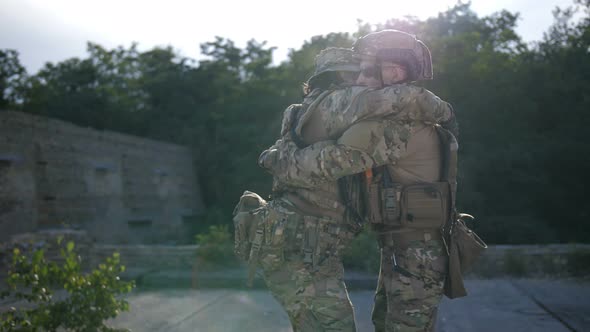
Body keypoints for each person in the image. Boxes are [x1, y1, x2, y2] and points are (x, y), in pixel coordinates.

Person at [259, 29, 457, 332]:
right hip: (403, 252)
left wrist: (278, 159)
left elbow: (332, 161)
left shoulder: (401, 123)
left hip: (415, 254)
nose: (362, 81)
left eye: (368, 71)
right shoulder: (394, 112)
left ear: (395, 70)